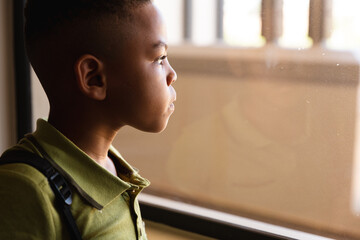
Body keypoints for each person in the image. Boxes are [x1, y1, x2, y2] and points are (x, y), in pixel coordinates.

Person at [0, 0, 177, 239]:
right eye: (159, 58)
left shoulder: (112, 167)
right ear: (94, 78)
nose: (172, 74)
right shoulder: (23, 191)